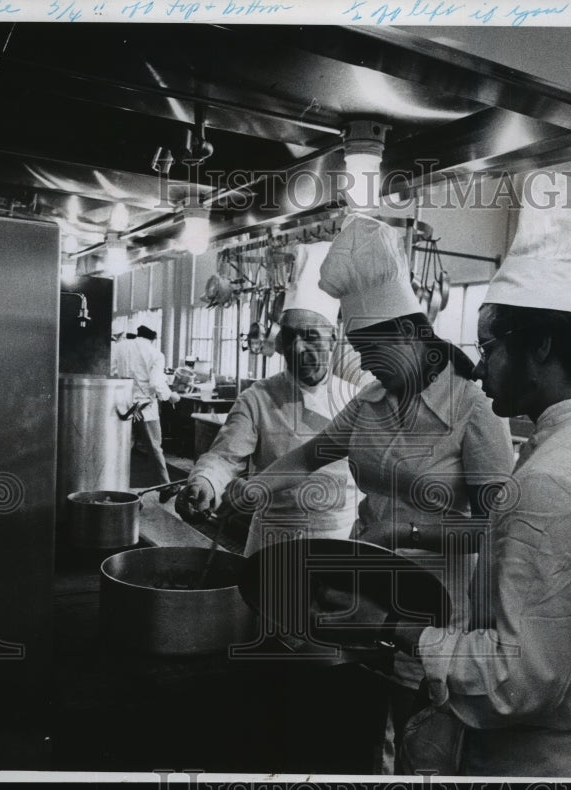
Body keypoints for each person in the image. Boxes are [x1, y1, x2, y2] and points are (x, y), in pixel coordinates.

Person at [310, 175, 571, 777]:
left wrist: (390, 627)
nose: (478, 366)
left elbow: (515, 677)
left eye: (492, 344)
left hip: (539, 760)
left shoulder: (561, 478)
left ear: (544, 346)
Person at [222, 212, 514, 773]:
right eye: (354, 347)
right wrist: (257, 488)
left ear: (407, 335)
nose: (359, 361)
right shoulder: (372, 400)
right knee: (355, 728)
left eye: (366, 346)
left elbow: (495, 528)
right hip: (365, 591)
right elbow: (311, 454)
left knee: (416, 742)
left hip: (436, 603)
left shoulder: (472, 411)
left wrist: (407, 529)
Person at [175, 242, 360, 555]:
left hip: (339, 540)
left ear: (334, 337)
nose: (298, 349)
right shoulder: (258, 398)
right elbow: (224, 457)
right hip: (273, 540)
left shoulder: (356, 399)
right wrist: (205, 482)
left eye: (311, 336)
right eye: (290, 336)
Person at [113, 324, 180, 486]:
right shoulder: (155, 353)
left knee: (122, 448)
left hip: (122, 405)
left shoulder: (120, 347)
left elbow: (112, 371)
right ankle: (165, 486)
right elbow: (156, 383)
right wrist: (170, 396)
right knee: (155, 448)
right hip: (145, 408)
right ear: (154, 338)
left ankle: (116, 486)